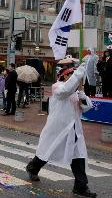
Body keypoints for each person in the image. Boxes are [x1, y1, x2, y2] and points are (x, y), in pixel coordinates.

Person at [26, 63, 97, 198]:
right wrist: (80, 71)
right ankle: (32, 168)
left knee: (79, 157)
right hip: (58, 130)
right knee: (47, 151)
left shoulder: (76, 92)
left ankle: (80, 186)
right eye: (71, 75)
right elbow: (66, 90)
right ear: (64, 76)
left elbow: (87, 106)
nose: (75, 78)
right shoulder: (58, 88)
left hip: (74, 129)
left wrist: (81, 93)